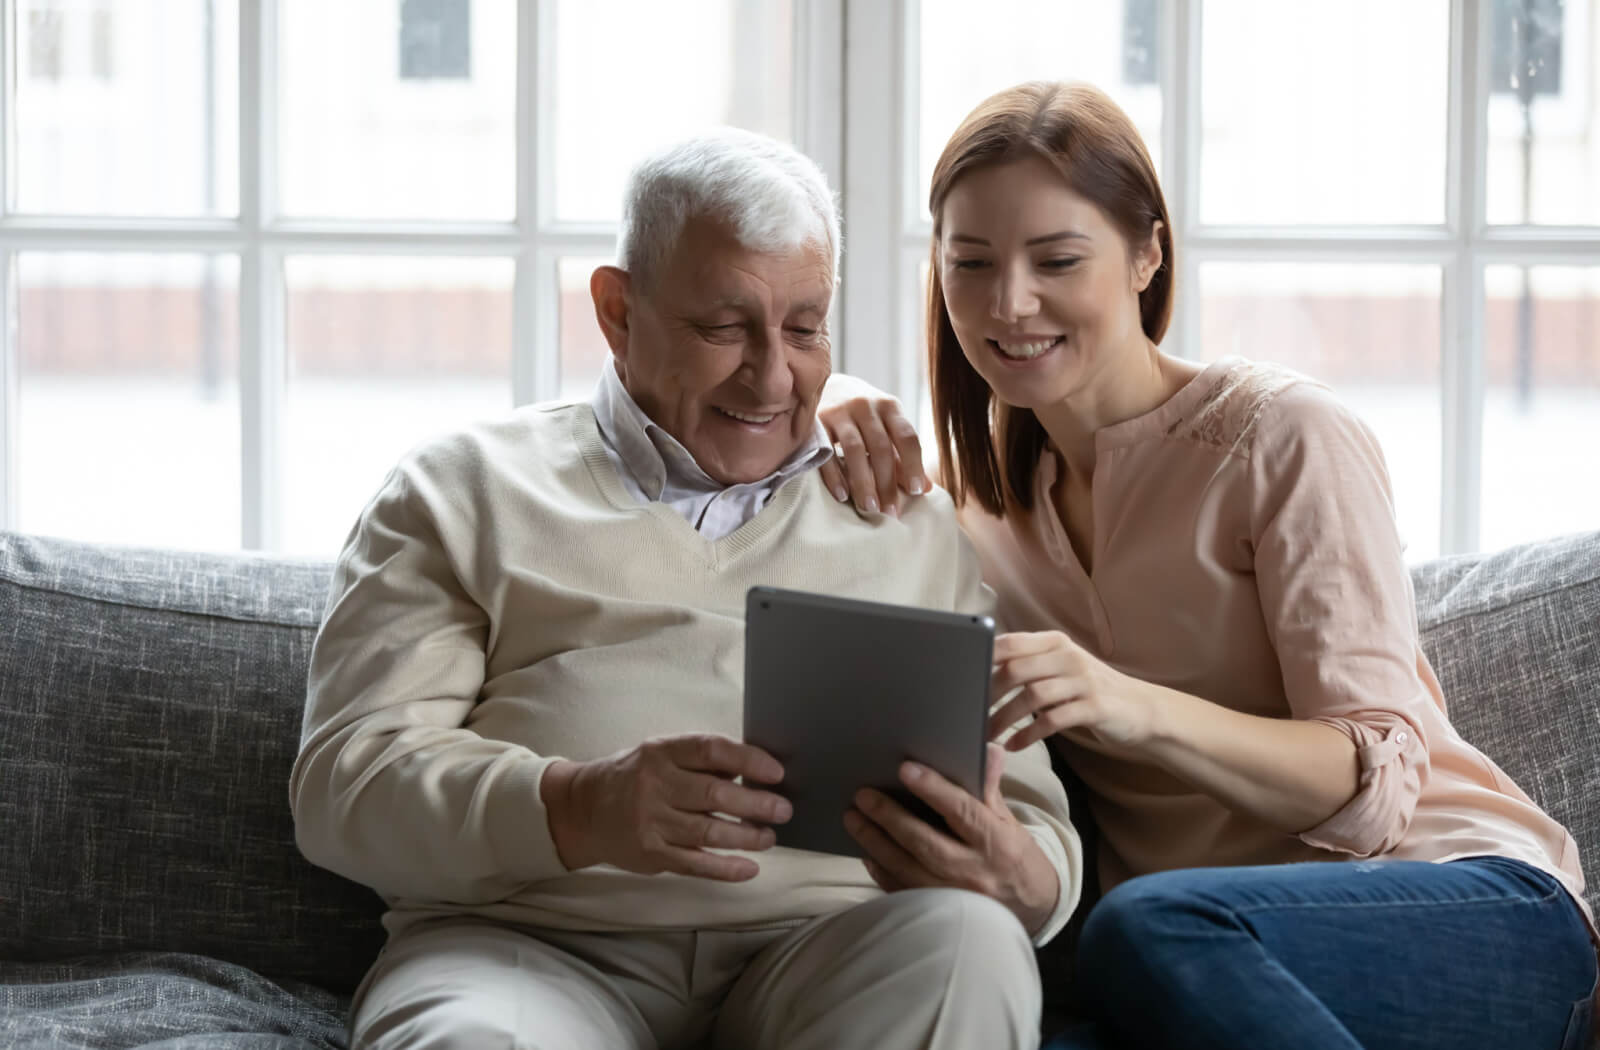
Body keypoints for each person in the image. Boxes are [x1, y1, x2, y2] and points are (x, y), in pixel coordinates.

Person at [818, 81, 1597, 1049]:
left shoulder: (1282, 437)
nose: (1007, 304)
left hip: (1461, 910)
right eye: (968, 264)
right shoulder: (972, 520)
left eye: (1057, 259)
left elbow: (1377, 788)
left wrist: (1124, 704)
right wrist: (832, 394)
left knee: (1146, 925)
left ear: (1147, 253)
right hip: (1189, 970)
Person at [290, 127, 1082, 1050]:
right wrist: (576, 806)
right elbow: (346, 785)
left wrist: (1025, 881)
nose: (773, 375)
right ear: (617, 311)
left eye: (804, 328)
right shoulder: (461, 489)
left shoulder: (899, 513)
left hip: (828, 952)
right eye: (723, 328)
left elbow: (1033, 818)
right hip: (531, 949)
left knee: (970, 947)